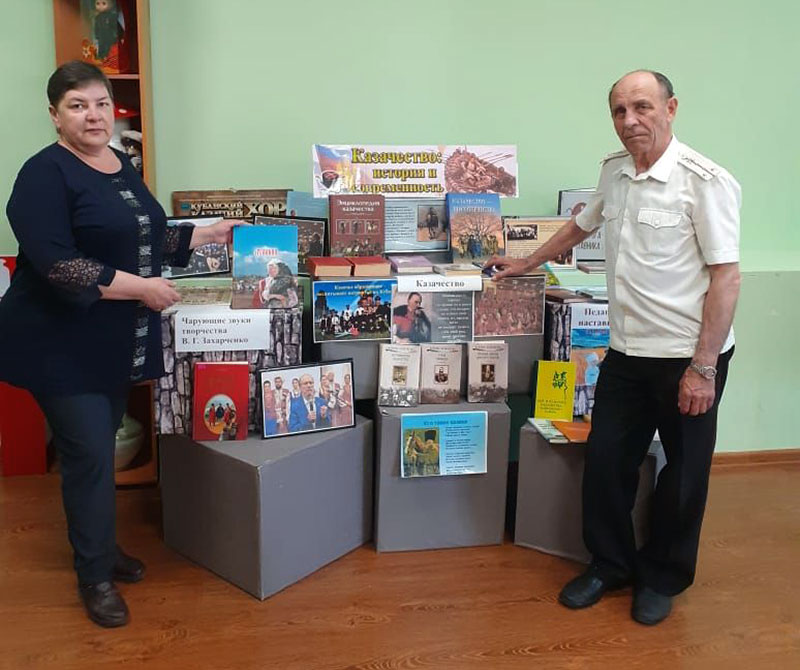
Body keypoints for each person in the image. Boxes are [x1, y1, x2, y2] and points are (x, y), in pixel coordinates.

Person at [486, 70, 740, 626]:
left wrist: (703, 368)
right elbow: (582, 224)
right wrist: (528, 262)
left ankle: (662, 576)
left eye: (642, 107)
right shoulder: (615, 171)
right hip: (626, 351)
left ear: (671, 108)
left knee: (683, 476)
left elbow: (726, 277)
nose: (630, 120)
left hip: (687, 356)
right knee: (606, 463)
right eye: (620, 110)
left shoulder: (706, 181)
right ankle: (611, 564)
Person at [0, 61, 238, 628]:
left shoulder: (119, 164)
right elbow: (61, 265)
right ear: (55, 115)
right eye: (78, 105)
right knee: (87, 455)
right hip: (57, 343)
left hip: (106, 341)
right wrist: (144, 289)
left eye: (101, 103)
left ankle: (101, 550)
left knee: (98, 448)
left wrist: (203, 233)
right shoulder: (43, 174)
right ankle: (94, 576)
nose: (93, 115)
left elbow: (142, 234)